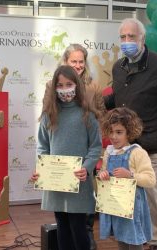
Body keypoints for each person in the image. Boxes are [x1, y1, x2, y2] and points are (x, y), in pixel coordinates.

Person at [104, 18, 157, 250]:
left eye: (131, 36)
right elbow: (119, 98)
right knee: (127, 198)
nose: (127, 41)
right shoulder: (118, 67)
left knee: (151, 200)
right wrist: (97, 101)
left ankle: (155, 243)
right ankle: (132, 240)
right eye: (123, 37)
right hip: (126, 148)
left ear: (142, 39)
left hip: (155, 147)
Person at [32, 65, 102, 250]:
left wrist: (86, 168)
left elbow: (95, 147)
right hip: (56, 184)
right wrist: (42, 170)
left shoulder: (88, 115)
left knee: (79, 229)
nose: (65, 89)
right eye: (60, 85)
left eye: (68, 84)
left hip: (78, 183)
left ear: (77, 85)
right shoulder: (49, 115)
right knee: (62, 227)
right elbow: (42, 147)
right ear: (54, 88)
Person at [98, 107, 156, 250]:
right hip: (116, 205)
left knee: (134, 241)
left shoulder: (137, 153)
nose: (114, 136)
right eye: (111, 131)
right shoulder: (109, 153)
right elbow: (103, 172)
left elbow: (151, 179)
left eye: (119, 132)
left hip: (133, 209)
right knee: (121, 238)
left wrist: (130, 175)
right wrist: (102, 175)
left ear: (129, 132)